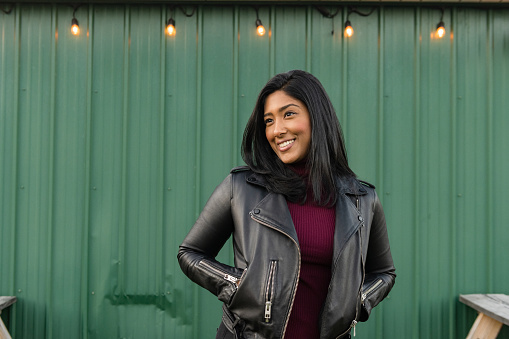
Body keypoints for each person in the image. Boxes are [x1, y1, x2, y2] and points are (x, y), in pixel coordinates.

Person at [177, 70, 396, 339]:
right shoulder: (242, 187)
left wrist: (356, 300)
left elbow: (384, 272)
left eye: (288, 114)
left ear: (317, 117)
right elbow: (190, 252)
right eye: (269, 120)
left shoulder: (361, 199)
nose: (277, 130)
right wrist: (238, 286)